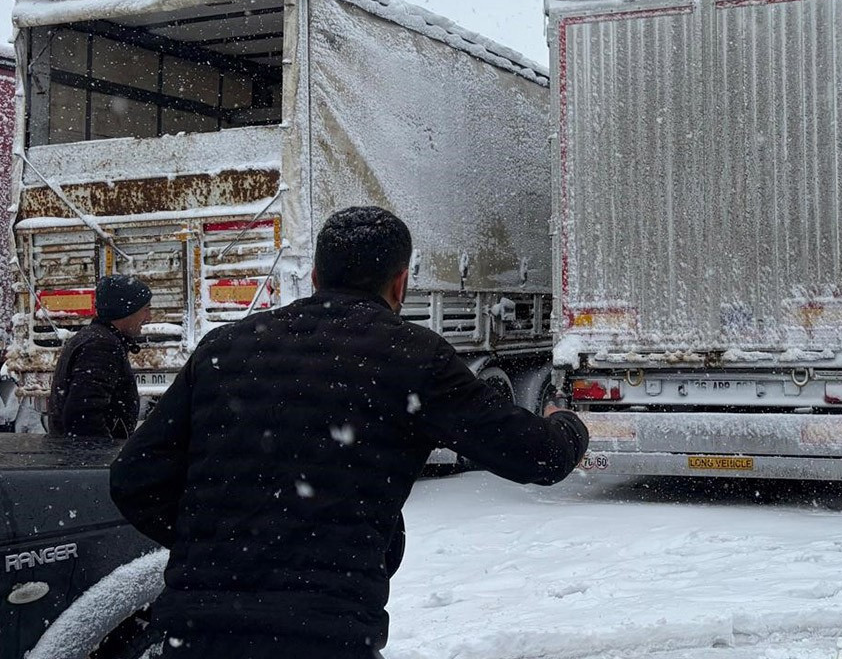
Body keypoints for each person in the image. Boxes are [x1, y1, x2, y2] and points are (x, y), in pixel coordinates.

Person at [109, 206, 589, 658]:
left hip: (194, 632)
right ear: (400, 283)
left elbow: (133, 478)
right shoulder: (414, 357)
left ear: (316, 277)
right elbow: (540, 458)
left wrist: (221, 544)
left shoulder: (226, 346)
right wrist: (564, 422)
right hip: (325, 632)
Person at [48, 274, 152, 438]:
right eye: (146, 310)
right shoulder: (101, 346)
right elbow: (84, 415)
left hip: (79, 456)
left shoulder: (97, 338)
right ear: (125, 311)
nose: (148, 318)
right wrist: (102, 457)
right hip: (87, 459)